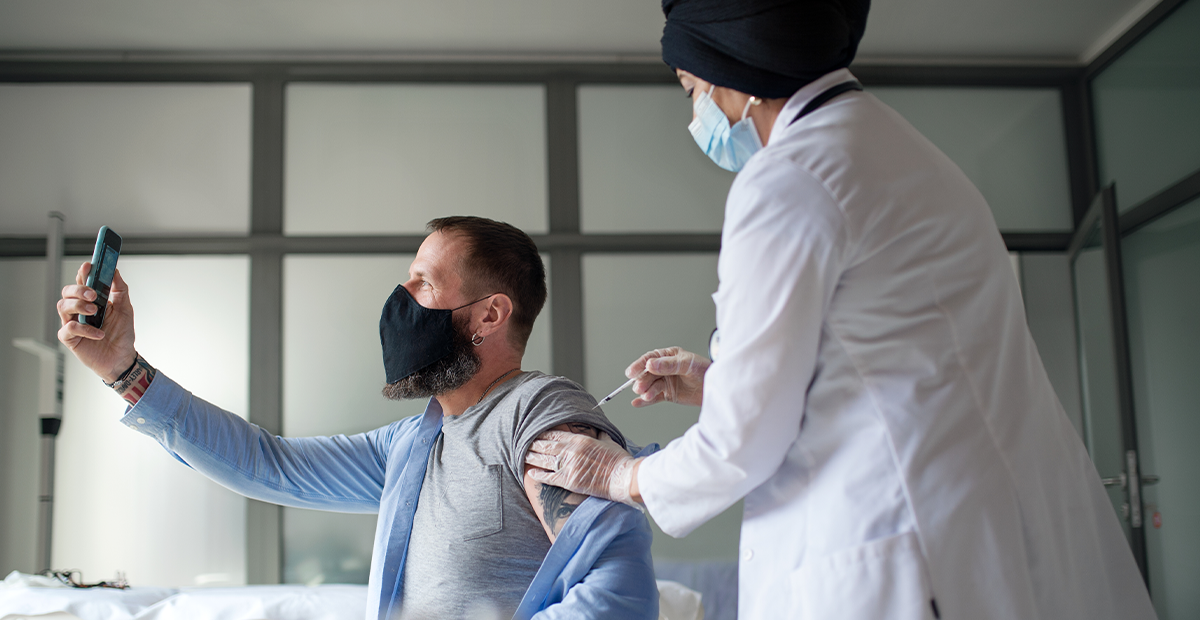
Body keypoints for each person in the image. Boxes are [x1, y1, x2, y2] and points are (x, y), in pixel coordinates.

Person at [524, 1, 1158, 619]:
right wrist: (722, 383)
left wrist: (621, 474)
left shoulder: (789, 180)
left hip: (902, 543)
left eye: (691, 89)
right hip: (980, 521)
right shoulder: (901, 150)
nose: (696, 114)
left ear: (732, 72)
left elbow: (743, 441)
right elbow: (901, 359)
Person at [57, 216, 658, 620]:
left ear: (489, 315)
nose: (401, 301)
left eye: (423, 284)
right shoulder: (415, 444)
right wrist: (123, 370)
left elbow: (620, 590)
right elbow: (267, 464)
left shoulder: (538, 411)